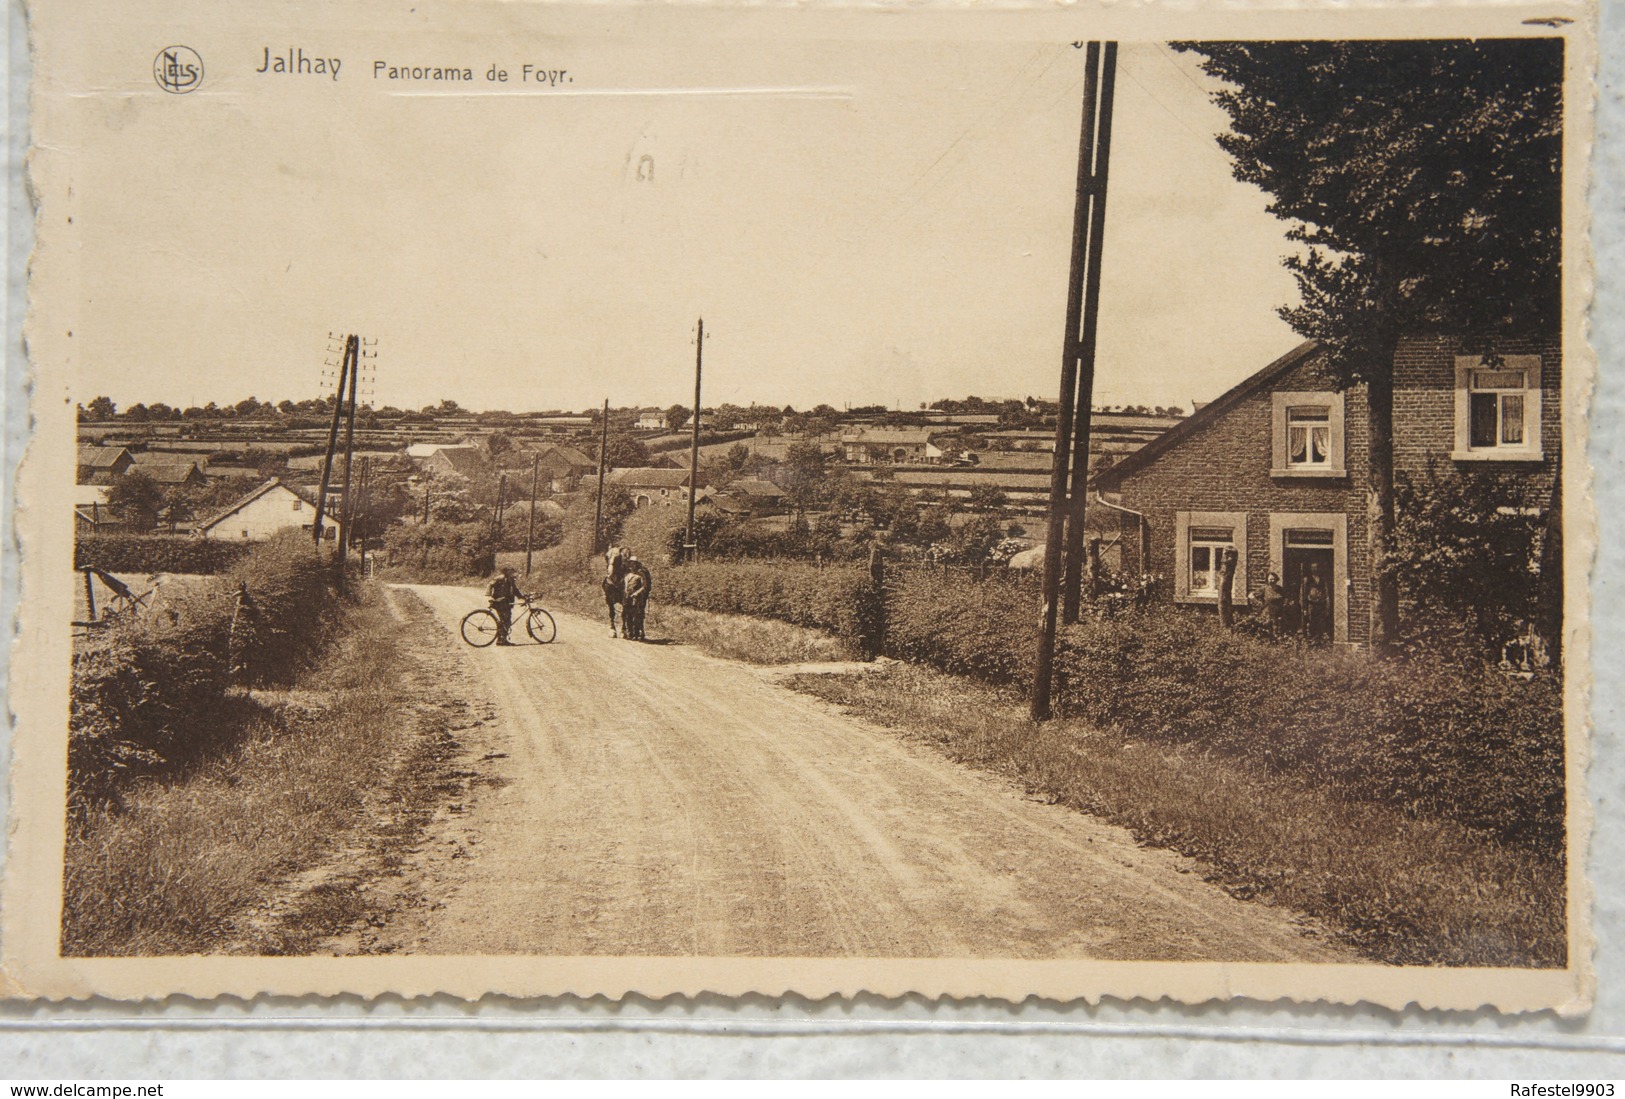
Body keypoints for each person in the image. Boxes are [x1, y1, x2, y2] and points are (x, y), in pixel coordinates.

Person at [488, 565, 523, 645]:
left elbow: (515, 590)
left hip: (507, 602)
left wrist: (522, 597)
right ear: (506, 571)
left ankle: (501, 639)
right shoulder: (499, 578)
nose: (512, 573)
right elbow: (490, 585)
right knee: (505, 620)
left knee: (505, 620)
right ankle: (502, 640)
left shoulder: (510, 580)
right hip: (499, 602)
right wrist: (489, 595)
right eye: (510, 571)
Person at [622, 553, 653, 641]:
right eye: (631, 564)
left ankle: (636, 633)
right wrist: (625, 593)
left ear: (637, 565)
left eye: (634, 564)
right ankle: (629, 632)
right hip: (628, 596)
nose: (632, 565)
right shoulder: (627, 575)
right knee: (627, 614)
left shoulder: (641, 575)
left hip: (637, 597)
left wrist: (637, 593)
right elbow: (625, 586)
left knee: (636, 614)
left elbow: (644, 586)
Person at [1299, 562, 1330, 644]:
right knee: (1310, 621)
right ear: (1310, 569)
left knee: (1320, 622)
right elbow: (1303, 594)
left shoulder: (1322, 579)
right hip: (1310, 605)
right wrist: (1304, 607)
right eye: (1313, 567)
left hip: (1320, 604)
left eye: (1316, 567)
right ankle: (1310, 640)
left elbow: (1326, 593)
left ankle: (1320, 641)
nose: (1315, 569)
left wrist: (1327, 605)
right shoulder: (1306, 579)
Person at [1253, 571, 1286, 639]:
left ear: (1277, 579)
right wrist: (1258, 603)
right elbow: (1251, 595)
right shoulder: (1264, 588)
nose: (1272, 581)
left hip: (1279, 611)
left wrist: (1285, 604)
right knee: (1268, 628)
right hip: (1268, 611)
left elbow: (1285, 598)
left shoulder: (1280, 589)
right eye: (1270, 579)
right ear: (1267, 580)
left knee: (1278, 628)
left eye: (1274, 579)